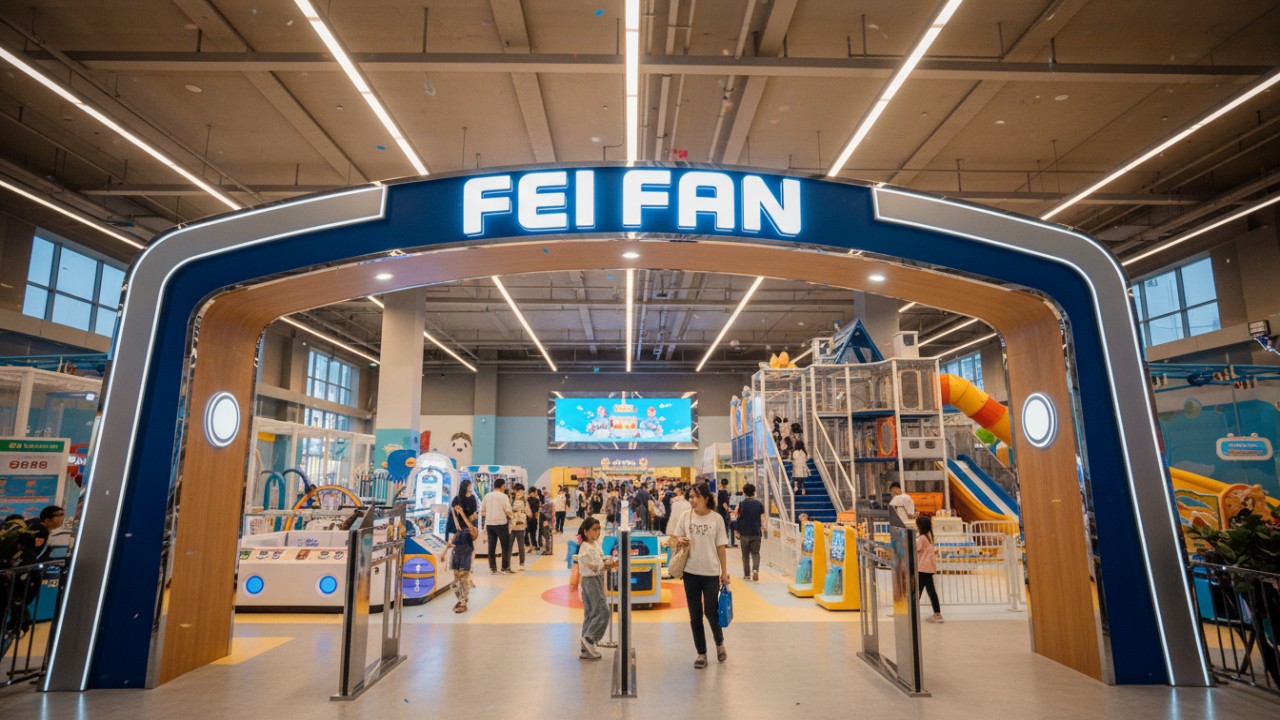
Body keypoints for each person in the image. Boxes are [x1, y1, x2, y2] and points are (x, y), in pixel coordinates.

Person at [670, 482, 729, 668]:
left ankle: (719, 643)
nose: (692, 500)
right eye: (691, 497)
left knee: (711, 612)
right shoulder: (686, 517)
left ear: (705, 498)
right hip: (690, 572)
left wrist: (724, 572)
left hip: (710, 572)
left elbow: (721, 547)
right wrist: (679, 539)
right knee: (694, 615)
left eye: (696, 497)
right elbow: (672, 538)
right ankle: (701, 653)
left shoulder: (716, 519)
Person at [575, 517, 617, 659]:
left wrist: (608, 560)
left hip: (596, 579)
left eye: (599, 529)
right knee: (602, 611)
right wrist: (607, 565)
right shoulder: (585, 548)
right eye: (594, 529)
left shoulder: (595, 545)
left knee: (592, 613)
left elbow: (599, 559)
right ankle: (589, 639)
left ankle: (585, 648)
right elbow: (594, 565)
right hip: (591, 581)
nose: (597, 532)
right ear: (586, 532)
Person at [446, 500, 477, 613]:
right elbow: (452, 541)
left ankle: (463, 601)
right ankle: (461, 600)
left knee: (464, 578)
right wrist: (445, 551)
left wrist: (462, 514)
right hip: (456, 555)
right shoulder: (458, 529)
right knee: (455, 581)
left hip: (466, 556)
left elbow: (472, 530)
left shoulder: (471, 529)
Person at [733, 483, 766, 582]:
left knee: (745, 555)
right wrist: (763, 527)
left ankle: (747, 575)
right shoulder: (759, 504)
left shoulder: (741, 504)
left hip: (744, 533)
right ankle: (755, 570)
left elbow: (735, 515)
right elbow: (763, 518)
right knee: (755, 553)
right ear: (753, 492)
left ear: (744, 492)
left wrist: (737, 530)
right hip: (756, 533)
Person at [482, 478, 514, 574]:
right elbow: (508, 511)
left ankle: (493, 568)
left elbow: (483, 512)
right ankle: (505, 568)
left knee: (491, 547)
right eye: (504, 486)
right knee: (505, 546)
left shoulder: (487, 496)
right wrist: (513, 517)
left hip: (489, 524)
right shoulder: (503, 496)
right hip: (501, 524)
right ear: (502, 486)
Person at [916, 515, 943, 623]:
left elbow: (914, 548)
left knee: (917, 592)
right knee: (930, 591)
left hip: (922, 568)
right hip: (928, 568)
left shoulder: (921, 538)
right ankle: (937, 613)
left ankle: (909, 613)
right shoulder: (929, 537)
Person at [510, 485, 530, 571]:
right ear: (515, 490)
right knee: (509, 545)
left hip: (521, 524)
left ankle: (522, 564)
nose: (520, 493)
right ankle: (507, 564)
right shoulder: (511, 498)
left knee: (521, 545)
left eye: (522, 491)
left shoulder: (525, 499)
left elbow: (528, 511)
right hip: (512, 524)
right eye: (518, 491)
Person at [716, 479, 734, 548]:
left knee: (721, 527)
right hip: (724, 512)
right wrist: (728, 510)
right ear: (726, 484)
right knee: (725, 527)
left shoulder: (719, 491)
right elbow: (724, 503)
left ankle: (722, 542)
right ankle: (725, 542)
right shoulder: (724, 492)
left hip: (719, 511)